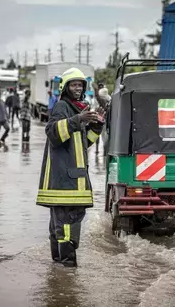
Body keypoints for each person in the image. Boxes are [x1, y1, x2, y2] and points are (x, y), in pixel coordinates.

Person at [36, 68, 105, 267]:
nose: (78, 88)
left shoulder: (78, 109)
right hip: (64, 181)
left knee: (61, 224)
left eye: (80, 85)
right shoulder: (61, 107)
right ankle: (67, 268)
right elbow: (53, 133)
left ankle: (58, 268)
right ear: (65, 87)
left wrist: (96, 127)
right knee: (66, 224)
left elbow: (84, 144)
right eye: (74, 85)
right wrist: (78, 120)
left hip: (74, 179)